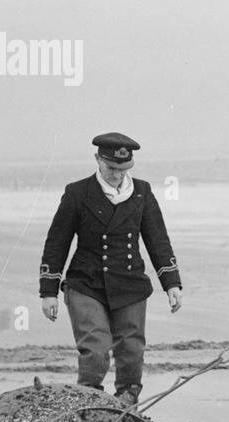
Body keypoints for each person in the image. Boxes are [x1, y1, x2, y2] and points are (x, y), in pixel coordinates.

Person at [39, 133, 182, 405]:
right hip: (85, 285)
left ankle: (127, 403)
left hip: (130, 284)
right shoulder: (77, 192)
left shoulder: (142, 192)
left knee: (131, 349)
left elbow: (158, 240)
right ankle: (89, 401)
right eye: (111, 168)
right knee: (95, 348)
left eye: (123, 169)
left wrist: (172, 284)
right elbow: (57, 243)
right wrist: (48, 292)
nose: (117, 175)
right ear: (97, 160)